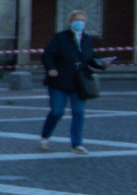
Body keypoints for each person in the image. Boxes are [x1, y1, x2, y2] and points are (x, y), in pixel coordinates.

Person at [40, 9, 107, 152]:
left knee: (79, 112)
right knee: (57, 111)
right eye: (77, 20)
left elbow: (90, 58)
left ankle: (76, 143)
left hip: (79, 82)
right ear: (71, 22)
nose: (80, 23)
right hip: (59, 81)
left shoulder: (87, 40)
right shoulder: (60, 37)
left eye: (83, 20)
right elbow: (48, 55)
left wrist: (101, 63)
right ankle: (45, 136)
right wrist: (51, 68)